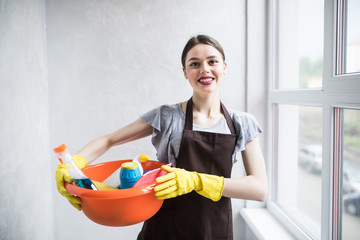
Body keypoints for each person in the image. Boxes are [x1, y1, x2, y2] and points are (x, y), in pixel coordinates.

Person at [55, 34, 268, 240]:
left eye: (212, 61)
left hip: (214, 228)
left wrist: (196, 180)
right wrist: (74, 163)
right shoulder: (167, 116)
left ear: (224, 67)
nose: (204, 69)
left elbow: (259, 189)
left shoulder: (242, 123)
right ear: (185, 72)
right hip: (165, 228)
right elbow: (109, 140)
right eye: (194, 64)